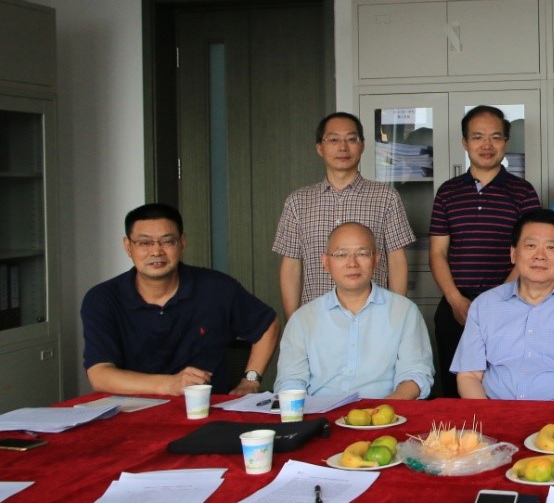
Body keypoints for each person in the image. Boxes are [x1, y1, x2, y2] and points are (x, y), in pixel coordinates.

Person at [82, 203, 279, 396]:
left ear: (182, 242)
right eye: (145, 243)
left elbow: (268, 325)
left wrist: (250, 381)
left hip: (206, 408)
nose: (156, 251)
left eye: (167, 241)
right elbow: (99, 375)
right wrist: (170, 384)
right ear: (128, 247)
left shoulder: (217, 288)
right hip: (131, 408)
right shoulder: (102, 299)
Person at [451, 208, 554, 401]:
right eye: (531, 246)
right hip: (495, 412)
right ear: (513, 253)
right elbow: (469, 375)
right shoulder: (484, 305)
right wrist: (487, 415)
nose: (540, 256)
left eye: (551, 248)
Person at [429, 105, 540, 398]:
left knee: (504, 387)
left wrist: (497, 301)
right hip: (456, 306)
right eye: (477, 137)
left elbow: (529, 251)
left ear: (506, 142)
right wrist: (455, 300)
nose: (486, 145)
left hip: (510, 303)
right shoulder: (448, 192)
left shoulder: (523, 192)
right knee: (456, 390)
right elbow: (437, 253)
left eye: (495, 137)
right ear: (465, 142)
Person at [273, 112, 415, 320]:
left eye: (351, 139)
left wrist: (395, 318)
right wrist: (294, 322)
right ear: (320, 148)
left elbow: (396, 261)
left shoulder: (386, 197)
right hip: (317, 319)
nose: (343, 147)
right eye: (333, 140)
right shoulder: (298, 201)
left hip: (373, 318)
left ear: (362, 146)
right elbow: (291, 267)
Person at [275, 222, 433, 400]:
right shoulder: (303, 319)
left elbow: (415, 375)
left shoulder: (404, 312)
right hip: (319, 413)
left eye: (362, 253)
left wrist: (380, 411)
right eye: (341, 254)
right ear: (326, 262)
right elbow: (290, 381)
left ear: (376, 260)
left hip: (385, 411)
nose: (352, 263)